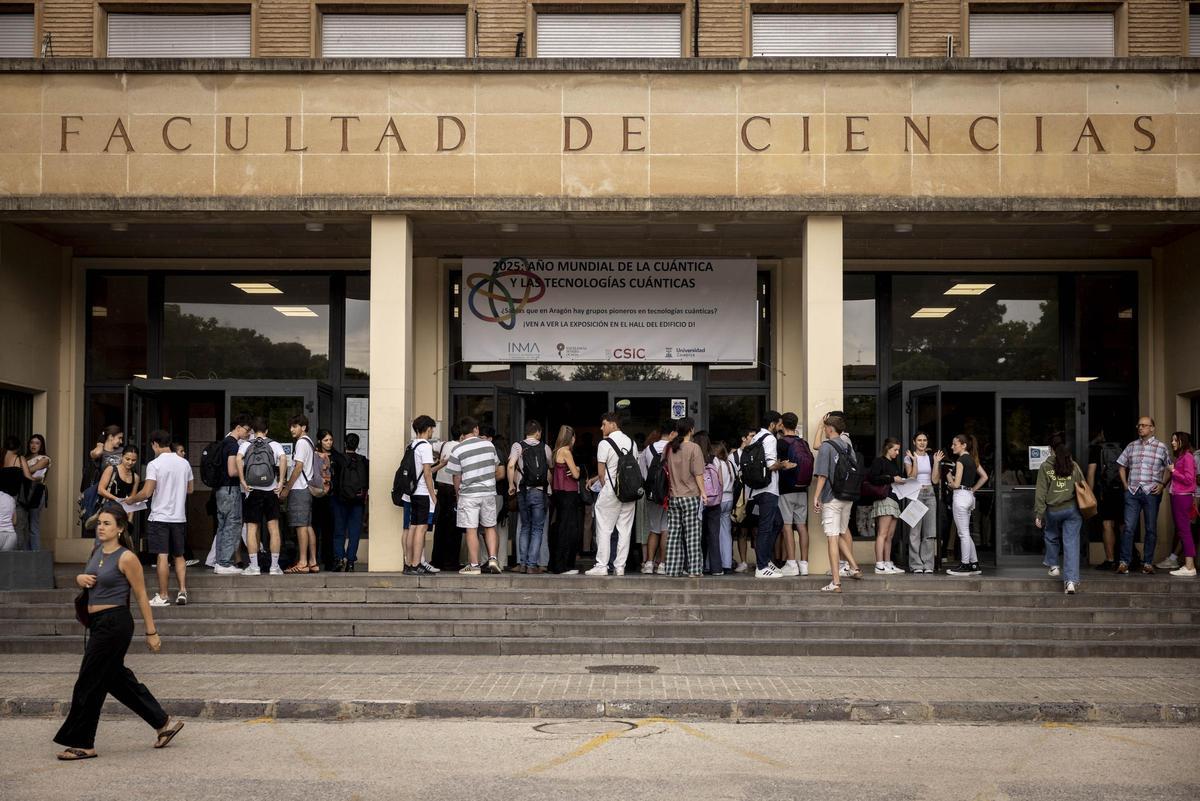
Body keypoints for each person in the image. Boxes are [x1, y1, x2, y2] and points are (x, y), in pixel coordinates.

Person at [52, 504, 184, 760]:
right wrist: (80, 578)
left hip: (115, 624)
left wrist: (151, 632)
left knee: (88, 682)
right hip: (98, 623)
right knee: (115, 679)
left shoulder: (127, 557)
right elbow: (90, 577)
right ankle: (163, 723)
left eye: (107, 523)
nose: (101, 527)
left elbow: (141, 594)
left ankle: (83, 743)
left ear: (120, 528)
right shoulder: (97, 551)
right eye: (99, 523)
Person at [125, 430, 193, 606]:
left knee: (162, 556)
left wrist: (132, 499)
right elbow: (190, 489)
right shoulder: (184, 463)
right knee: (179, 555)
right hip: (179, 517)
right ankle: (182, 591)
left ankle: (163, 596)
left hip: (159, 517)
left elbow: (147, 492)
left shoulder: (154, 464)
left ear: (155, 444)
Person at [811, 415, 863, 592]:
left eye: (825, 428)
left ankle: (836, 582)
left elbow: (823, 475)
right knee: (841, 532)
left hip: (832, 498)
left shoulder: (827, 446)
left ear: (830, 429)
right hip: (847, 497)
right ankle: (854, 566)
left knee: (832, 539)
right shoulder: (847, 446)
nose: (825, 430)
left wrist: (816, 497)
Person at [449, 417, 505, 575]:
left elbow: (456, 476)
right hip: (488, 492)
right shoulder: (489, 445)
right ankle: (493, 558)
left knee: (471, 529)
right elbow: (495, 466)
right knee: (490, 526)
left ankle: (474, 565)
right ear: (476, 430)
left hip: (469, 494)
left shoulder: (458, 449)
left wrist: (458, 494)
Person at [1117, 416, 1173, 574]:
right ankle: (1124, 562)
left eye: (1144, 425)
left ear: (1152, 428)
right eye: (1139, 425)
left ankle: (1148, 563)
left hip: (1151, 493)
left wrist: (1162, 485)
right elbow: (1121, 466)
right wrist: (1126, 486)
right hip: (1132, 492)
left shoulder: (1161, 447)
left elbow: (1170, 468)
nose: (1140, 428)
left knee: (1150, 528)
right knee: (1128, 528)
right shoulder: (1131, 446)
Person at [586, 412, 638, 577]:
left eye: (604, 424)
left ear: (613, 424)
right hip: (629, 492)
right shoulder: (632, 443)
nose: (601, 427)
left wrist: (607, 487)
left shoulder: (604, 443)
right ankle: (620, 566)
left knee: (604, 528)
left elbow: (601, 473)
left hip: (611, 491)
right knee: (625, 530)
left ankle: (602, 565)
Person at [1033, 432, 1086, 594]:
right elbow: (1082, 485)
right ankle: (1070, 582)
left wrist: (1039, 514)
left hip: (1053, 510)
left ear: (1050, 449)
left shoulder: (1045, 467)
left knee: (1050, 535)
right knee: (1071, 545)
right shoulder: (1074, 466)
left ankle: (1054, 565)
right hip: (1071, 509)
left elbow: (1041, 492)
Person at [747, 411, 796, 579]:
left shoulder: (756, 437)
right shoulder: (770, 439)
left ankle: (766, 560)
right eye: (779, 423)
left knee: (777, 523)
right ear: (773, 424)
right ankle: (761, 566)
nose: (781, 426)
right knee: (766, 527)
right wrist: (783, 465)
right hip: (768, 489)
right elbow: (769, 465)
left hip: (758, 489)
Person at [236, 417, 288, 576]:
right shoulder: (274, 444)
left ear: (253, 431)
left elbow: (238, 459)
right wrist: (280, 482)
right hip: (270, 490)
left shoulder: (246, 445)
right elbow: (283, 458)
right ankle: (274, 566)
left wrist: (243, 481)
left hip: (252, 491)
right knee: (273, 529)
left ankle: (254, 567)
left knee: (252, 529)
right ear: (267, 431)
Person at [662, 418, 705, 578]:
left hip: (673, 496)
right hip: (691, 496)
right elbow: (698, 473)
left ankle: (673, 569)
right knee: (692, 535)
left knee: (674, 534)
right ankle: (694, 570)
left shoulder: (670, 447)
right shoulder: (694, 448)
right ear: (691, 430)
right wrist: (704, 492)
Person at [508, 420, 553, 574]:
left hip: (523, 491)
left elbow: (510, 465)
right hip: (540, 492)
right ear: (538, 432)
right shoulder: (545, 447)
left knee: (525, 527)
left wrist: (511, 485)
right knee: (538, 529)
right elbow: (550, 468)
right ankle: (532, 565)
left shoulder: (517, 446)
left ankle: (522, 563)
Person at [210, 415, 251, 575]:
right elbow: (232, 471)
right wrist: (245, 468)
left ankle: (219, 562)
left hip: (220, 490)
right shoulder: (233, 446)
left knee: (222, 525)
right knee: (232, 525)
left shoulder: (223, 443)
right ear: (238, 428)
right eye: (247, 430)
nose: (248, 434)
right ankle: (224, 563)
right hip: (230, 489)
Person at [281, 415, 320, 574]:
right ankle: (312, 562)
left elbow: (298, 467)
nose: (292, 429)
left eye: (295, 426)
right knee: (308, 525)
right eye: (291, 426)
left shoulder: (302, 443)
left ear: (303, 427)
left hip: (299, 489)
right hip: (307, 489)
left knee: (301, 526)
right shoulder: (309, 442)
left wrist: (287, 488)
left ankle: (303, 562)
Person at [776, 412, 811, 577]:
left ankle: (791, 563)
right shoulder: (803, 443)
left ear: (782, 424)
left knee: (787, 526)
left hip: (786, 489)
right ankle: (804, 563)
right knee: (802, 526)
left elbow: (778, 465)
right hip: (802, 489)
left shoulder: (780, 443)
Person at [402, 415, 438, 576]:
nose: (432, 432)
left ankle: (409, 562)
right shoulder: (425, 447)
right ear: (428, 429)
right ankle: (416, 563)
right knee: (421, 529)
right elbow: (427, 473)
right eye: (431, 429)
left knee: (413, 527)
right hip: (423, 492)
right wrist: (433, 495)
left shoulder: (411, 446)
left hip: (412, 492)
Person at [946, 434, 986, 576]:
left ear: (963, 445)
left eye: (954, 444)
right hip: (969, 496)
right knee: (966, 532)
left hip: (961, 496)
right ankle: (974, 564)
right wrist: (973, 489)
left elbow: (956, 485)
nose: (952, 447)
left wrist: (948, 477)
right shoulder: (973, 459)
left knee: (962, 533)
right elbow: (984, 476)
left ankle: (965, 564)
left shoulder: (961, 460)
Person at [903, 432, 943, 574]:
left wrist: (937, 462)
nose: (922, 443)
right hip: (915, 494)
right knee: (914, 532)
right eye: (919, 440)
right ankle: (916, 565)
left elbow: (935, 480)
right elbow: (912, 477)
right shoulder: (908, 457)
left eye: (924, 440)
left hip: (930, 493)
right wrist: (915, 461)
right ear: (914, 442)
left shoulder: (931, 458)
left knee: (929, 532)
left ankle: (928, 564)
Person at [868, 438, 908, 574]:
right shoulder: (879, 461)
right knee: (882, 533)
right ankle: (879, 564)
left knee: (890, 535)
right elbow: (872, 478)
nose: (897, 452)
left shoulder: (894, 463)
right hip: (884, 499)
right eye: (895, 449)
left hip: (895, 499)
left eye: (898, 450)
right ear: (887, 449)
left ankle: (887, 563)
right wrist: (892, 479)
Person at [638, 423, 674, 574]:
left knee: (653, 528)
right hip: (669, 493)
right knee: (665, 528)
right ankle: (663, 564)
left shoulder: (648, 449)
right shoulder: (674, 448)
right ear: (672, 433)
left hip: (652, 493)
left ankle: (649, 563)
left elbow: (642, 472)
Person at [331, 432, 369, 572]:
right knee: (354, 533)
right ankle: (351, 561)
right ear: (358, 445)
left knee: (339, 531)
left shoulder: (338, 460)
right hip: (357, 502)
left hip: (340, 500)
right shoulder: (364, 461)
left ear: (345, 443)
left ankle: (339, 559)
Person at [549, 425, 583, 575]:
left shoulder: (556, 451)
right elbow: (575, 475)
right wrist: (579, 469)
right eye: (574, 437)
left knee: (560, 527)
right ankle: (563, 566)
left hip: (558, 493)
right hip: (568, 493)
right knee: (568, 529)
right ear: (571, 438)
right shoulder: (566, 452)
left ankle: (555, 563)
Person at [432, 425, 465, 571]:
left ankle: (437, 560)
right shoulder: (463, 448)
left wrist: (436, 458)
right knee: (455, 527)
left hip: (441, 489)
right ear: (462, 436)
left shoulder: (443, 445)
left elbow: (431, 446)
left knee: (440, 526)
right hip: (454, 489)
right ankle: (451, 562)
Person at [1165, 432, 1198, 578]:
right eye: (1172, 440)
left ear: (1182, 441)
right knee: (1182, 531)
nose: (1172, 442)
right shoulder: (1182, 457)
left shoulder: (1188, 457)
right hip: (1178, 496)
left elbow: (1189, 479)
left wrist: (1173, 471)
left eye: (1175, 440)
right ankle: (1188, 565)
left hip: (1183, 498)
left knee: (1185, 531)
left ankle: (1190, 567)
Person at [14, 434, 50, 551]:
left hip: (36, 492)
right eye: (32, 442)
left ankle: (35, 556)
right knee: (22, 525)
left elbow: (32, 470)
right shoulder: (25, 457)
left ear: (41, 445)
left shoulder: (44, 458)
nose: (34, 445)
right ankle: (25, 555)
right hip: (22, 492)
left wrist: (21, 469)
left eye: (37, 443)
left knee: (33, 525)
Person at [1, 436, 35, 551]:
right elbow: (28, 477)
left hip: (2, 498)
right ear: (18, 447)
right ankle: (18, 557)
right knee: (19, 527)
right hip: (16, 498)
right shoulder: (19, 459)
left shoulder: (1, 458)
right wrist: (38, 480)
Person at [312, 429, 336, 571]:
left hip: (329, 497)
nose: (329, 443)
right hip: (316, 495)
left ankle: (328, 560)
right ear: (320, 441)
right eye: (326, 440)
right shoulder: (315, 455)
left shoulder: (336, 456)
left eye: (331, 440)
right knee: (315, 528)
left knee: (328, 530)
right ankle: (314, 558)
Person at [713, 441, 736, 574]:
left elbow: (718, 481)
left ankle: (714, 563)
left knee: (714, 532)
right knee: (726, 532)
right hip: (729, 498)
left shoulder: (716, 462)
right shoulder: (729, 463)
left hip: (719, 499)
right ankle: (727, 563)